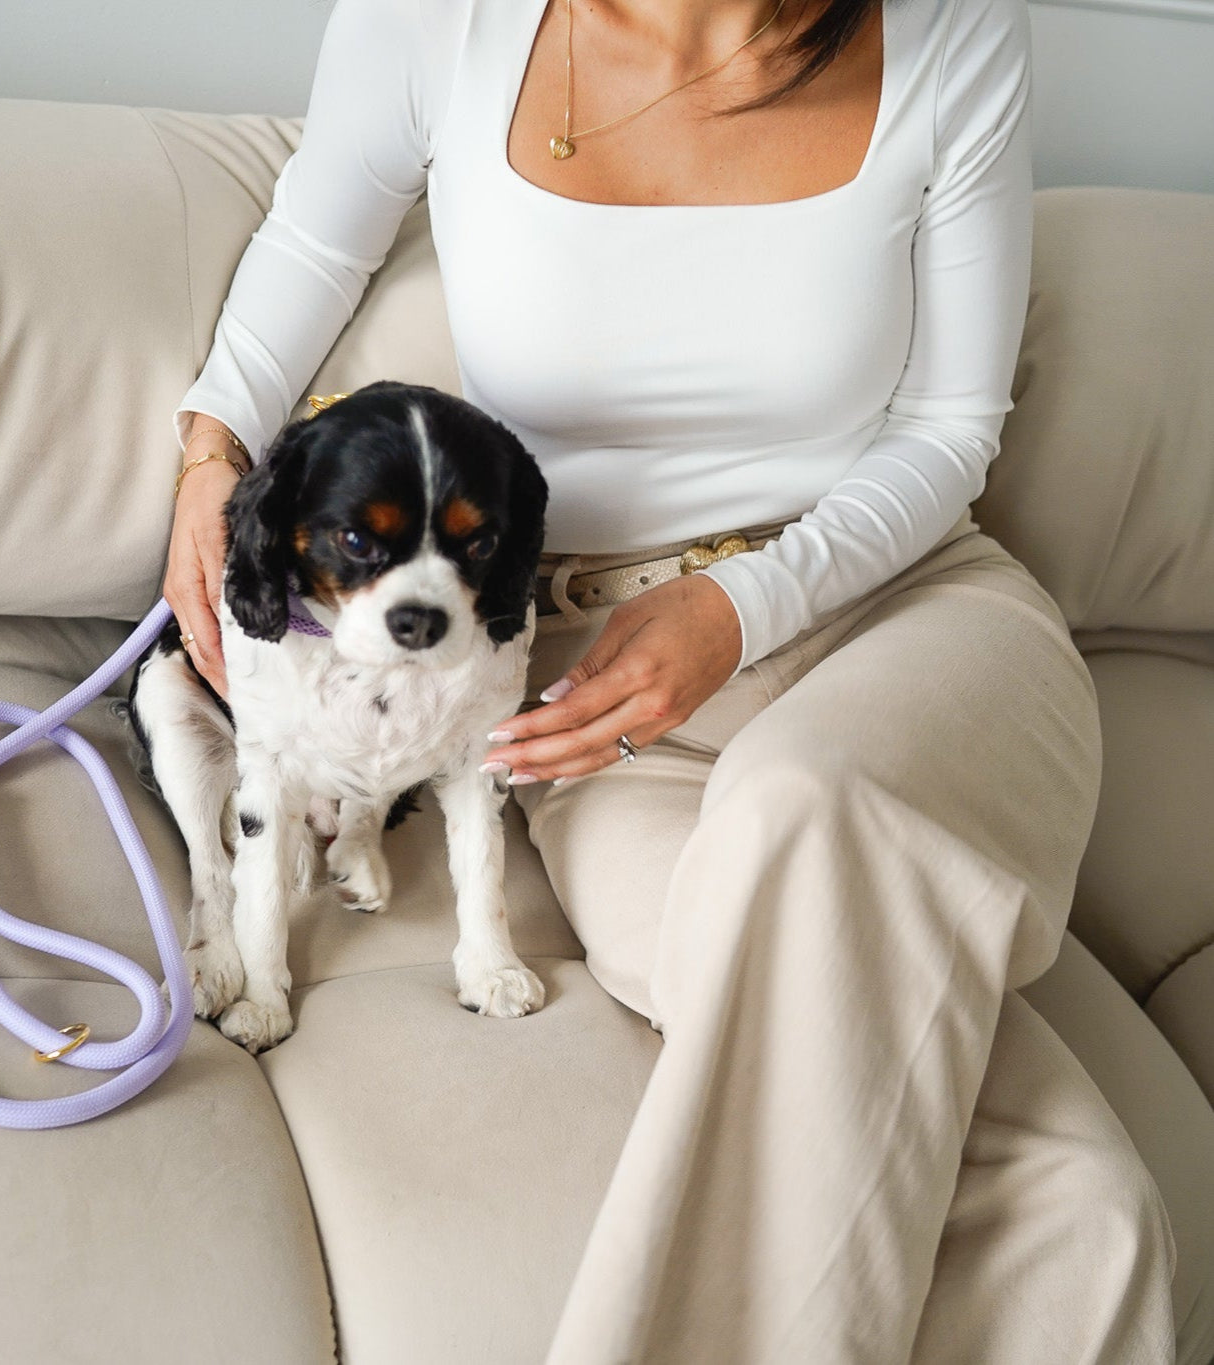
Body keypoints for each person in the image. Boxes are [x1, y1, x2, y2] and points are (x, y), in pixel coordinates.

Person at [164, 0, 1179, 1358]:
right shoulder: (436, 20)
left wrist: (738, 605)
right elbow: (314, 231)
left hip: (906, 617)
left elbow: (950, 431)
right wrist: (210, 449)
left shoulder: (950, 31)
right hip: (603, 697)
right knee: (1080, 1205)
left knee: (801, 805)